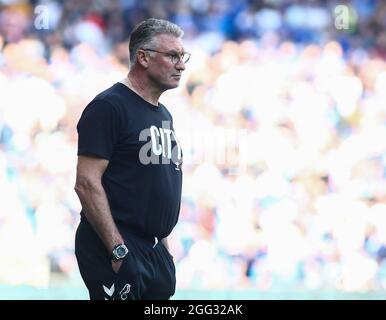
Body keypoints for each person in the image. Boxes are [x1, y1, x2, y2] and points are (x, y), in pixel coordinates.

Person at [74, 18, 189, 300]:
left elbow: (153, 187)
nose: (181, 65)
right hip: (117, 243)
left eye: (182, 56)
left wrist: (162, 247)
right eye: (172, 56)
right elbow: (86, 183)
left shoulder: (163, 114)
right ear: (143, 57)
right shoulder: (109, 107)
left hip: (152, 249)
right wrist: (117, 248)